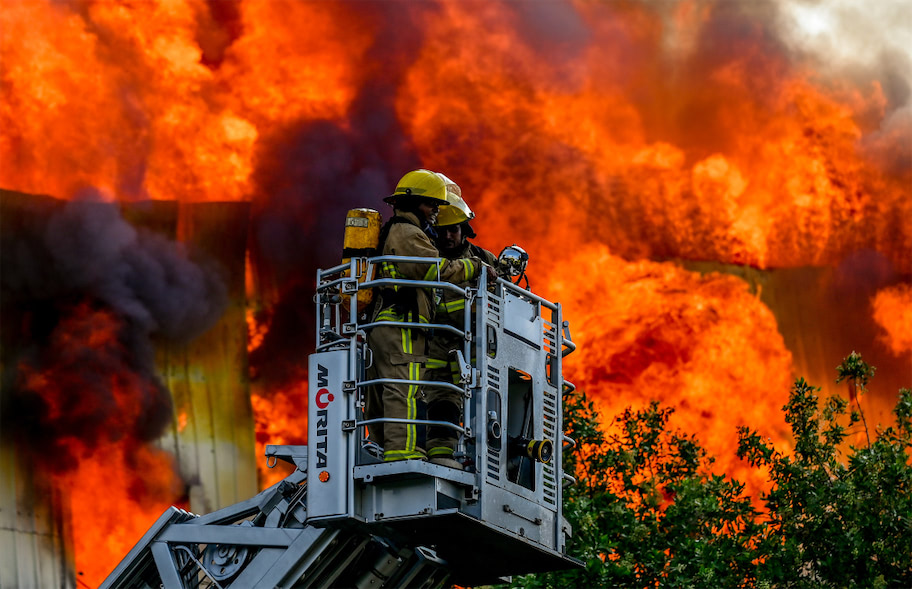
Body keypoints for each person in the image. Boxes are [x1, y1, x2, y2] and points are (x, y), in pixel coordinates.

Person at [366, 169, 492, 464]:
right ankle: (403, 456)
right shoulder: (408, 233)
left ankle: (401, 450)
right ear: (415, 202)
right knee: (404, 391)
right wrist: (474, 269)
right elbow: (434, 270)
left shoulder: (403, 231)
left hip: (400, 327)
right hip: (402, 325)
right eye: (432, 204)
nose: (436, 212)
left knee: (397, 393)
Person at [425, 181, 500, 469]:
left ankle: (482, 461)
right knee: (441, 401)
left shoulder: (484, 260)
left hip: (478, 352)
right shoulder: (429, 260)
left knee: (485, 407)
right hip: (439, 349)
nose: (447, 236)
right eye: (441, 231)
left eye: (453, 230)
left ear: (464, 230)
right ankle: (441, 457)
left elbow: (505, 297)